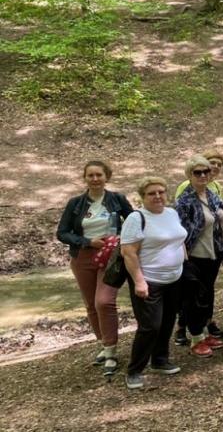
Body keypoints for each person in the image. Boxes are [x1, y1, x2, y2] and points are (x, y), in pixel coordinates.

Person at [56, 160, 134, 376]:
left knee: (104, 301)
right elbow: (62, 233)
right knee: (91, 304)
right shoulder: (75, 204)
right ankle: (104, 345)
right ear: (85, 178)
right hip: (83, 257)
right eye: (90, 175)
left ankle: (111, 352)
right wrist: (88, 241)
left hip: (111, 257)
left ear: (106, 177)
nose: (95, 179)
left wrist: (121, 240)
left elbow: (134, 221)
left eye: (99, 175)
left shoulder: (117, 199)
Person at [119, 177, 187, 390]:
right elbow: (128, 253)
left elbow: (179, 238)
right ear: (143, 197)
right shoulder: (136, 218)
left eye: (160, 192)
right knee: (150, 326)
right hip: (149, 280)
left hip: (174, 278)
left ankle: (159, 360)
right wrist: (139, 281)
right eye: (151, 193)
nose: (157, 196)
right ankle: (134, 370)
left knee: (168, 320)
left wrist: (183, 259)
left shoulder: (172, 213)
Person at [175, 156, 223, 358]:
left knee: (206, 295)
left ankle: (203, 333)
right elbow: (178, 232)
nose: (203, 175)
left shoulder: (212, 195)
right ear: (189, 175)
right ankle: (196, 337)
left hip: (212, 253)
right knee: (193, 298)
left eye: (206, 171)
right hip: (192, 256)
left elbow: (222, 218)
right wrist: (183, 257)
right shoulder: (185, 201)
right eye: (198, 172)